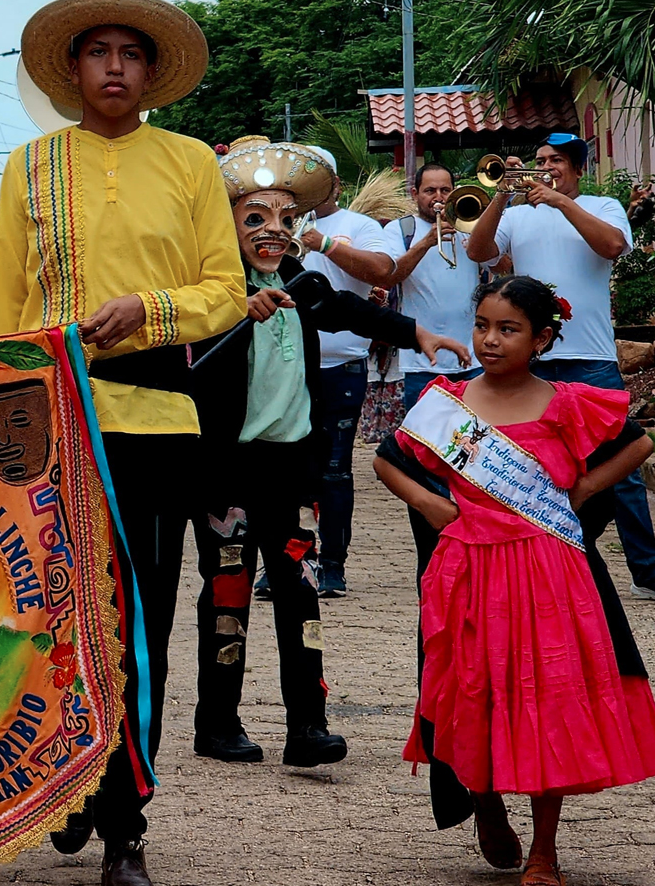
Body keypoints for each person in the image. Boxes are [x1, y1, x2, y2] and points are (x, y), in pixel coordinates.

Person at [0, 0, 247, 886]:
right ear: (73, 70)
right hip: (49, 421)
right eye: (98, 51)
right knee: (44, 607)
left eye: (132, 52)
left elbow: (226, 290)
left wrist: (151, 309)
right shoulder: (32, 165)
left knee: (137, 616)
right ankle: (66, 787)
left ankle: (125, 817)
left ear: (152, 72)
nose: (115, 66)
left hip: (156, 421)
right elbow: (2, 310)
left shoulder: (189, 163)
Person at [187, 137, 469, 768]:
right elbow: (189, 354)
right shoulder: (209, 290)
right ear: (226, 222)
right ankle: (217, 721)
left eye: (288, 219)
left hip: (291, 467)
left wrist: (416, 331)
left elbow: (345, 309)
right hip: (227, 470)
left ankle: (307, 726)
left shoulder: (298, 280)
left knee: (300, 589)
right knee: (228, 590)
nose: (275, 230)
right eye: (256, 217)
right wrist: (236, 307)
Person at [373, 276, 655, 886]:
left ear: (543, 338)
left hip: (548, 572)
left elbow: (636, 443)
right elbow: (384, 462)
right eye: (482, 326)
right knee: (471, 691)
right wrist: (430, 505)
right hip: (468, 570)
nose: (489, 340)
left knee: (547, 699)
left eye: (508, 330)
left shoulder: (567, 402)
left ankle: (544, 851)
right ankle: (484, 802)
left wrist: (581, 489)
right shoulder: (447, 403)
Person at [463, 132, 655, 600]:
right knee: (528, 464)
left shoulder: (602, 206)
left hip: (591, 357)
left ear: (576, 169)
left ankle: (647, 571)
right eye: (540, 160)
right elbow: (477, 252)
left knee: (620, 469)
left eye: (555, 161)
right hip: (535, 360)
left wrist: (557, 201)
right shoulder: (515, 214)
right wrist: (501, 194)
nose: (546, 167)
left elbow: (611, 246)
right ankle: (537, 556)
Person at [299, 147, 397, 596]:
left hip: (341, 367)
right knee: (285, 471)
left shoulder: (360, 226)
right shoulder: (274, 221)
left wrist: (324, 244)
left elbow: (383, 271)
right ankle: (290, 562)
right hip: (286, 369)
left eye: (316, 179)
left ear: (335, 185)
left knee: (335, 470)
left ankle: (333, 565)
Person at [382, 162, 484, 408]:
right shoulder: (399, 229)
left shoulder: (472, 227)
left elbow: (502, 266)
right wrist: (427, 242)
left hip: (473, 359)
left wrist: (480, 241)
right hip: (420, 362)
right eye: (430, 191)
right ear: (415, 194)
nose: (438, 198)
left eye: (445, 190)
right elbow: (390, 276)